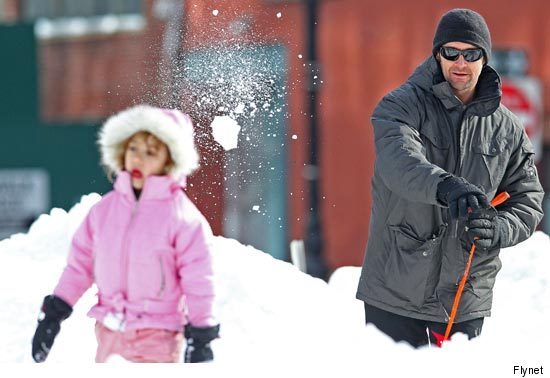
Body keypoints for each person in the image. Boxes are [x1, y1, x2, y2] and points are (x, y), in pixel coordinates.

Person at [356, 8, 544, 348]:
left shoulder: (508, 128)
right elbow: (398, 163)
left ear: (484, 58)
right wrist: (444, 185)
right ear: (437, 55)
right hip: (397, 293)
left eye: (471, 54)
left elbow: (528, 201)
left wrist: (500, 229)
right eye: (451, 52)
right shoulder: (399, 106)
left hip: (465, 295)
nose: (461, 62)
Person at [31, 105, 220, 362]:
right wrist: (55, 311)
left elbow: (199, 280)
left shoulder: (182, 218)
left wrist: (201, 335)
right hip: (109, 333)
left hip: (158, 337)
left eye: (151, 152)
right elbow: (80, 266)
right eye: (133, 149)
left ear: (171, 160)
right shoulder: (103, 212)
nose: (138, 159)